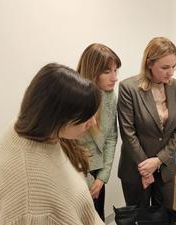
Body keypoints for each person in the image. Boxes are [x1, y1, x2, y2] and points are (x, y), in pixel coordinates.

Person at [0, 63, 104, 225]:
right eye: (85, 117)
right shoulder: (31, 205)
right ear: (58, 117)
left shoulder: (34, 128)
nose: (92, 122)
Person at [117, 37, 176, 209]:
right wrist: (145, 167)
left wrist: (158, 160)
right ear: (149, 63)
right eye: (164, 67)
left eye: (173, 66)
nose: (170, 73)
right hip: (135, 169)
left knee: (163, 218)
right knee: (138, 218)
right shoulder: (129, 88)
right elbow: (128, 133)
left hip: (165, 169)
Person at [77, 43, 121, 221]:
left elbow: (111, 138)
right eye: (107, 72)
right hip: (77, 171)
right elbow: (67, 144)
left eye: (115, 70)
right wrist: (87, 180)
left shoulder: (110, 96)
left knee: (98, 217)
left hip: (99, 171)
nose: (114, 78)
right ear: (92, 72)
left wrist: (102, 178)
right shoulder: (75, 97)